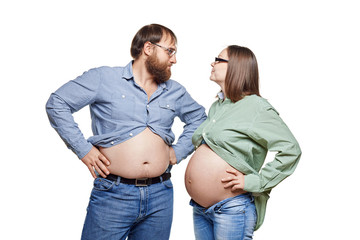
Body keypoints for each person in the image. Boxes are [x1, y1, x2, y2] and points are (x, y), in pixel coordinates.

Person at [46, 23, 206, 240]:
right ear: (148, 48)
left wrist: (178, 151)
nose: (174, 59)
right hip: (114, 194)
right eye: (170, 51)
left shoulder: (175, 90)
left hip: (161, 195)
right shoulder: (104, 78)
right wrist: (84, 150)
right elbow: (57, 103)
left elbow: (199, 118)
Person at [185, 45, 302, 240]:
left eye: (218, 59)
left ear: (237, 67)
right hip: (200, 209)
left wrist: (255, 182)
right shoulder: (218, 106)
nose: (212, 63)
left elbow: (291, 150)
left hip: (232, 208)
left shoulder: (257, 107)